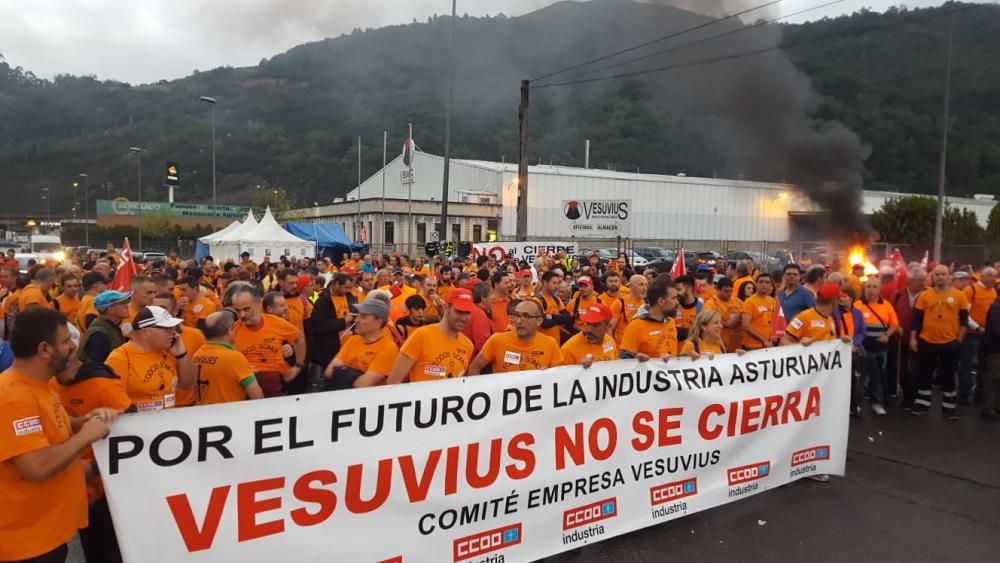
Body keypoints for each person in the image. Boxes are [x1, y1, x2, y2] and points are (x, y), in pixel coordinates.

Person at [0, 308, 119, 563]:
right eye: (65, 341)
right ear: (45, 349)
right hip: (26, 545)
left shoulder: (40, 385)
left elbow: (53, 427)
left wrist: (82, 421)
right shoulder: (13, 397)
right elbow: (37, 467)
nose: (73, 347)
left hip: (46, 535)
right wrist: (85, 436)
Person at [104, 306, 198, 411]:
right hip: (139, 423)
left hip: (169, 420)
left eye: (173, 328)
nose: (173, 333)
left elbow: (189, 384)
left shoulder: (170, 351)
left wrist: (182, 355)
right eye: (167, 329)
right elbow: (110, 400)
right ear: (145, 333)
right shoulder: (120, 358)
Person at [910, 265, 970, 419]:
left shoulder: (959, 296)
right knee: (925, 374)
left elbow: (964, 321)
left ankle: (949, 408)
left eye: (944, 274)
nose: (940, 277)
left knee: (949, 376)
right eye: (937, 275)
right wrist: (913, 338)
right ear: (932, 277)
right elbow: (916, 319)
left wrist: (959, 340)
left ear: (950, 276)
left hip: (950, 343)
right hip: (927, 341)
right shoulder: (924, 295)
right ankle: (922, 404)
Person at [230, 282, 305, 397]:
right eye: (237, 310)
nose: (242, 315)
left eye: (246, 309)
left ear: (258, 302)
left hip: (274, 392)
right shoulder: (232, 331)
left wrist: (298, 365)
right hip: (244, 396)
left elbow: (299, 339)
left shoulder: (277, 323)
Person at [387, 288, 476, 384]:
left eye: (467, 313)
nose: (463, 318)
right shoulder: (421, 336)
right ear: (446, 308)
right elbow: (393, 381)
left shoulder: (468, 345)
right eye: (458, 311)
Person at [468, 299, 563, 375]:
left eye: (526, 316)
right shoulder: (497, 341)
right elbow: (474, 369)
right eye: (517, 315)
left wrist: (548, 377)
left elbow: (559, 377)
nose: (519, 321)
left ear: (539, 321)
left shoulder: (550, 344)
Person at [323, 299, 400, 389]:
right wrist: (356, 375)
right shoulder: (353, 340)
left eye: (363, 317)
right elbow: (329, 371)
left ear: (378, 322)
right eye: (357, 315)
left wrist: (342, 372)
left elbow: (362, 384)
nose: (356, 320)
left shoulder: (388, 349)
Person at [191, 311, 264, 405]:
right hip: (229, 415)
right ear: (230, 330)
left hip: (203, 414)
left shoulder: (197, 354)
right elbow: (256, 395)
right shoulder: (235, 358)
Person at [857, 277, 901, 415]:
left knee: (878, 377)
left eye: (874, 286)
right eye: (868, 286)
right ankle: (856, 405)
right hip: (862, 348)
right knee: (859, 378)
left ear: (879, 289)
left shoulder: (886, 305)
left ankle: (877, 403)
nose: (871, 289)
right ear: (864, 288)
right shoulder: (857, 305)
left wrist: (887, 335)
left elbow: (894, 324)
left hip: (879, 348)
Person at [960, 267, 996, 404]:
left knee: (985, 365)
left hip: (988, 335)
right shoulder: (971, 290)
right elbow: (965, 314)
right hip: (971, 335)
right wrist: (977, 328)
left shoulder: (993, 292)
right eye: (990, 275)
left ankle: (980, 394)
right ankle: (964, 393)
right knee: (967, 364)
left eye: (995, 276)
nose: (993, 278)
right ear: (982, 276)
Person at [619, 276, 679, 361]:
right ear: (661, 301)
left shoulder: (671, 322)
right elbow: (623, 361)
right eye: (673, 298)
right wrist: (639, 359)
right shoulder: (636, 326)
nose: (677, 302)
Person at [309, 272, 356, 376]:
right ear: (336, 284)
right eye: (346, 287)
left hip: (349, 347)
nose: (348, 290)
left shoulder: (350, 297)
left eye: (350, 288)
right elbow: (318, 326)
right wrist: (343, 322)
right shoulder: (323, 300)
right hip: (331, 350)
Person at [835, 288, 866, 417]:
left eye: (844, 296)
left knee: (856, 381)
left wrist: (855, 343)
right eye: (840, 296)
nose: (842, 298)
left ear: (851, 298)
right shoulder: (834, 313)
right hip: (839, 351)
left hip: (854, 350)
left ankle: (855, 405)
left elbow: (862, 331)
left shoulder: (858, 313)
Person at [78, 290, 132, 364]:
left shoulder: (111, 327)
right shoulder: (99, 335)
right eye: (122, 303)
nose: (127, 305)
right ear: (110, 309)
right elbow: (95, 367)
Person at [561, 303, 618, 367]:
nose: (588, 330)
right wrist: (578, 369)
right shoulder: (568, 350)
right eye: (587, 323)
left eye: (595, 325)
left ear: (608, 326)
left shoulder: (610, 341)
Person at [704, 277, 743, 353]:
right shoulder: (710, 304)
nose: (729, 293)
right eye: (726, 291)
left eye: (731, 291)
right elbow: (707, 321)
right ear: (718, 289)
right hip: (718, 346)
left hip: (737, 346)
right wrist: (727, 323)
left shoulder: (738, 302)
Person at [532, 270, 572, 343]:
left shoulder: (556, 299)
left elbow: (568, 318)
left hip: (556, 343)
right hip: (542, 343)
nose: (557, 286)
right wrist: (559, 319)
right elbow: (544, 323)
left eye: (558, 283)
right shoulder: (537, 300)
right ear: (544, 283)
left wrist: (552, 317)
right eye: (554, 283)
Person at [741, 272, 777, 350]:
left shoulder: (773, 301)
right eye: (761, 282)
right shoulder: (749, 302)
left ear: (771, 285)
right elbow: (745, 326)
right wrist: (763, 340)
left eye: (767, 282)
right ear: (756, 284)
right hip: (752, 346)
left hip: (769, 345)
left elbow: (777, 321)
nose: (764, 284)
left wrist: (775, 335)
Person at [610, 274, 647, 344]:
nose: (645, 288)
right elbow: (609, 328)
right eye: (641, 285)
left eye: (646, 285)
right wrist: (613, 348)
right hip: (621, 349)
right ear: (631, 287)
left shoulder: (645, 304)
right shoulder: (620, 303)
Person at [463, 283, 494, 357]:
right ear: (483, 297)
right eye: (491, 294)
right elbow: (482, 345)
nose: (493, 297)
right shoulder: (478, 314)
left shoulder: (473, 310)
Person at [672, 275, 703, 342]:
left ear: (689, 289)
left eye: (679, 289)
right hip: (676, 351)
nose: (676, 293)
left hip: (693, 351)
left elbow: (702, 334)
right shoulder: (673, 307)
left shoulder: (703, 307)